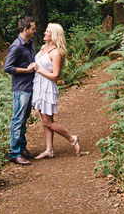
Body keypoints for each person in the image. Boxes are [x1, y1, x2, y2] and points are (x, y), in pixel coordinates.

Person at [31, 22, 80, 159]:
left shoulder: (56, 53)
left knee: (48, 122)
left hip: (47, 87)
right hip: (38, 86)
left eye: (48, 31)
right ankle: (49, 150)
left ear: (55, 35)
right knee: (45, 119)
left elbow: (55, 75)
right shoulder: (43, 47)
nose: (45, 33)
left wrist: (39, 70)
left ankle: (72, 138)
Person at [3, 16, 37, 165]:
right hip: (21, 88)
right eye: (33, 28)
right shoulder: (16, 46)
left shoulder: (30, 43)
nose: (35, 30)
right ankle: (15, 153)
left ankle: (22, 148)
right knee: (17, 119)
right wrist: (26, 70)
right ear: (25, 30)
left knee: (24, 118)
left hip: (30, 86)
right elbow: (7, 68)